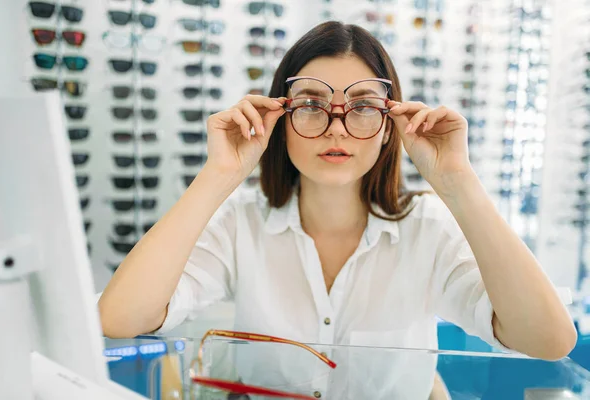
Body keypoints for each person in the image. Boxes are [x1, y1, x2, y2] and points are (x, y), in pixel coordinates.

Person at [98, 21, 576, 398]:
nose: (337, 127)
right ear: (279, 121)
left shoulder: (427, 228)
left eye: (365, 107)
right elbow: (119, 320)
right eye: (311, 104)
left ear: (390, 127)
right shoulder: (242, 221)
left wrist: (457, 181)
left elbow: (548, 341)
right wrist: (219, 174)